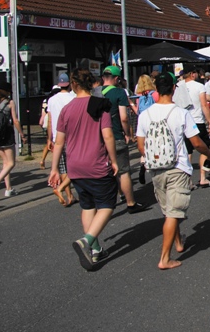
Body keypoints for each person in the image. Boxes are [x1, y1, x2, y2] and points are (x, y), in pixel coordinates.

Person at [136, 73, 210, 270]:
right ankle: (164, 259)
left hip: (156, 169)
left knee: (168, 211)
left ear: (156, 90)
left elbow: (141, 146)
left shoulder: (145, 115)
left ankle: (179, 243)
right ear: (174, 89)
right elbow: (196, 142)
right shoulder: (181, 113)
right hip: (177, 167)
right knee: (174, 213)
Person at [48, 69, 118, 271]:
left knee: (87, 206)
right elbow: (108, 136)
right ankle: (87, 241)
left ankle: (95, 249)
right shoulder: (100, 105)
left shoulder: (67, 109)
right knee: (107, 204)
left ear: (73, 84)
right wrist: (114, 160)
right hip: (96, 163)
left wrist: (54, 168)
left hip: (74, 166)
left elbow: (59, 142)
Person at [97, 65, 144, 213]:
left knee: (104, 172)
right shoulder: (119, 92)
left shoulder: (94, 92)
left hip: (98, 139)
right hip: (115, 135)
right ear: (117, 79)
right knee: (123, 170)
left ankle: (105, 203)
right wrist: (128, 133)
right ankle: (130, 203)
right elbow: (124, 117)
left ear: (103, 77)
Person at [45, 74, 77, 206]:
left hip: (57, 137)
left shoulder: (52, 100)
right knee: (76, 167)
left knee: (63, 168)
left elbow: (50, 120)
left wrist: (49, 139)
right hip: (72, 136)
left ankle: (69, 196)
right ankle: (66, 189)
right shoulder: (73, 97)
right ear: (69, 84)